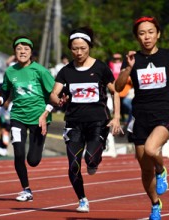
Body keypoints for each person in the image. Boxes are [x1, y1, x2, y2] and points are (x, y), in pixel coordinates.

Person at [115, 16, 169, 220]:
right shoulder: (132, 60)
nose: (146, 37)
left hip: (164, 113)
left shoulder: (168, 56)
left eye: (150, 32)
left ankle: (161, 169)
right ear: (137, 37)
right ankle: (155, 204)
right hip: (140, 116)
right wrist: (129, 68)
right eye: (142, 33)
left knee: (152, 149)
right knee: (144, 169)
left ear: (158, 34)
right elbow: (118, 87)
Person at [41, 27, 122, 213]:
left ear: (89, 47)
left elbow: (115, 90)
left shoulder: (101, 68)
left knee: (91, 159)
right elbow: (54, 94)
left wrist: (116, 117)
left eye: (83, 48)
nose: (79, 52)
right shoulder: (66, 71)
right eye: (75, 49)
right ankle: (82, 199)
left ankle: (96, 158)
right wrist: (58, 100)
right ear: (70, 49)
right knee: (73, 165)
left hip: (97, 122)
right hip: (74, 123)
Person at [0, 36, 55, 202]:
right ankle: (26, 189)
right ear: (14, 52)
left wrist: (47, 111)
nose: (22, 52)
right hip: (17, 117)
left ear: (31, 52)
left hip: (39, 119)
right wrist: (0, 99)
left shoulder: (40, 71)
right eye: (19, 49)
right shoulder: (10, 71)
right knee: (18, 153)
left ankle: (35, 154)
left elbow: (54, 95)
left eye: (26, 49)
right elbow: (5, 91)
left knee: (33, 160)